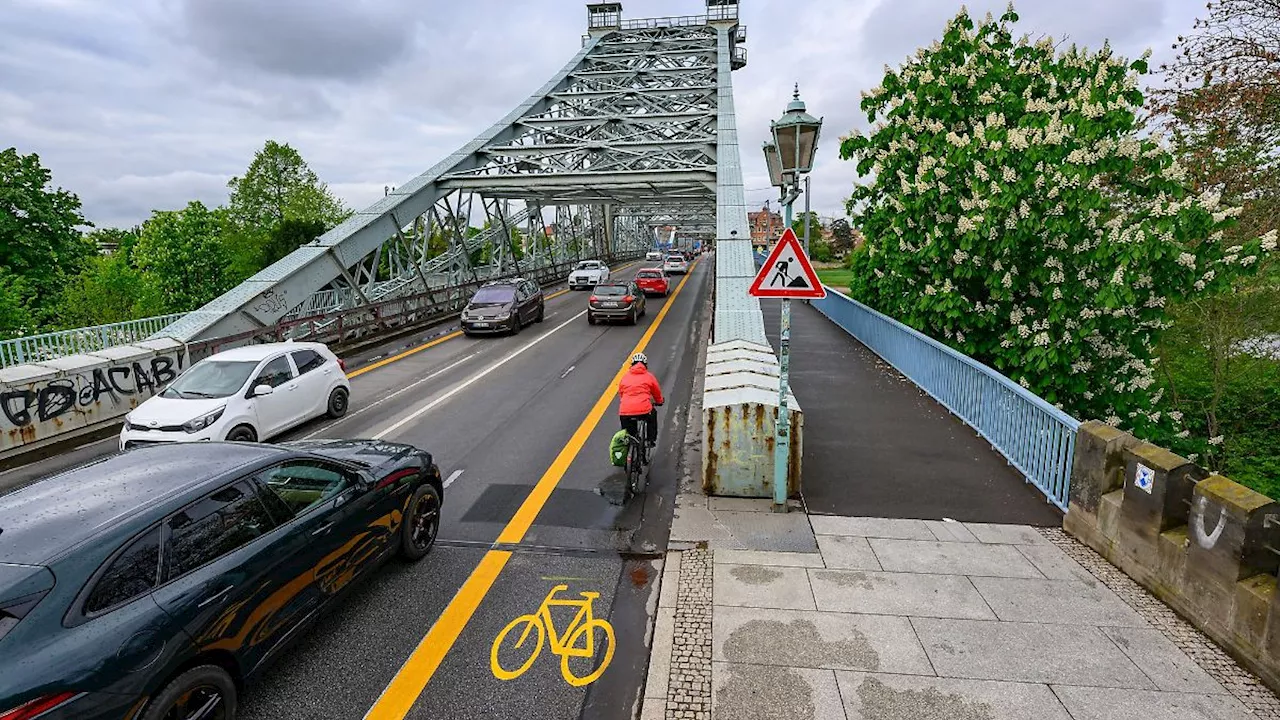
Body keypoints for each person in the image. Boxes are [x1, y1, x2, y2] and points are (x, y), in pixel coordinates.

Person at [618, 352, 664, 447]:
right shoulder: (649, 376)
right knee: (652, 415)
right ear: (645, 365)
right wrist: (659, 401)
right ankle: (650, 440)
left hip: (625, 411)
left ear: (632, 365)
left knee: (629, 434)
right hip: (644, 410)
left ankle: (630, 446)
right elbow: (656, 392)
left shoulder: (625, 377)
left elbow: (621, 393)